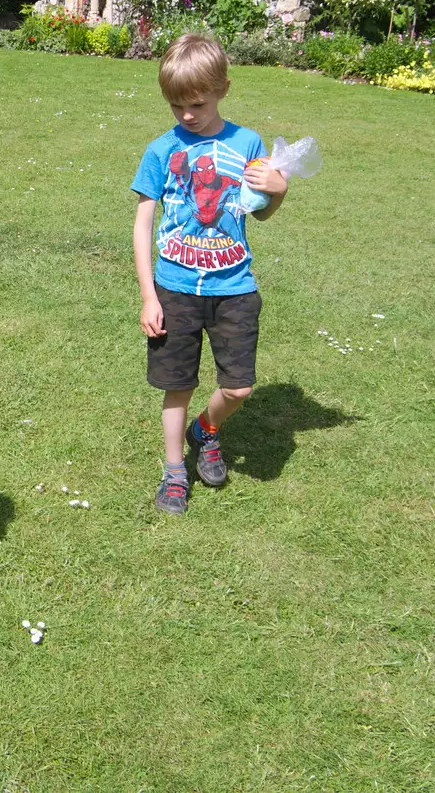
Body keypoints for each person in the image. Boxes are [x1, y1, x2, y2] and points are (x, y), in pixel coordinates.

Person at [130, 33, 290, 516]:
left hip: (234, 286)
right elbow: (143, 224)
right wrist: (148, 295)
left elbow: (258, 211)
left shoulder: (248, 143)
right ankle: (175, 471)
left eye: (196, 103)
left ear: (223, 87)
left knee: (239, 386)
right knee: (176, 384)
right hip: (174, 287)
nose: (186, 115)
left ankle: (208, 428)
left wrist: (278, 190)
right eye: (175, 105)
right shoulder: (161, 150)